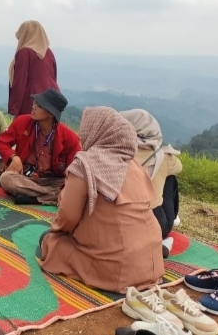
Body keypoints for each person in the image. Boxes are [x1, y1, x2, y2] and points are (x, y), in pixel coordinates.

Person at [38, 106, 164, 294]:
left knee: (48, 241)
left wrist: (56, 232)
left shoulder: (85, 164)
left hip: (116, 268)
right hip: (152, 263)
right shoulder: (133, 164)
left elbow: (67, 217)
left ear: (95, 132)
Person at [0, 88, 82, 205]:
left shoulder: (69, 137)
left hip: (54, 181)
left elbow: (75, 171)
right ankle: (50, 197)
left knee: (75, 190)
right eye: (35, 103)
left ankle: (35, 198)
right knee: (6, 179)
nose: (33, 107)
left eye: (39, 105)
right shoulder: (22, 122)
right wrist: (14, 157)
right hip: (26, 177)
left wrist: (66, 187)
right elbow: (1, 142)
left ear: (51, 113)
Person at [120, 109, 182, 256]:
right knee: (170, 178)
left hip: (120, 217)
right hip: (155, 224)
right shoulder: (163, 157)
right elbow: (179, 167)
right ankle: (171, 220)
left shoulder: (116, 149)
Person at [8, 20, 60, 116]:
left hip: (33, 100)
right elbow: (54, 76)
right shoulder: (48, 52)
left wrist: (15, 108)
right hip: (52, 99)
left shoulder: (24, 53)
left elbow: (20, 82)